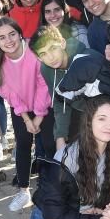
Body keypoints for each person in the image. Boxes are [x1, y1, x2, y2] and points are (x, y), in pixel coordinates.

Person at [0, 18, 54, 212]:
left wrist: (39, 116)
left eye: (11, 34)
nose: (8, 40)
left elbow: (44, 83)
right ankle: (23, 191)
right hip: (21, 108)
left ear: (19, 34)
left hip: (44, 104)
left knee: (50, 145)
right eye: (2, 37)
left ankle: (54, 189)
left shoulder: (34, 51)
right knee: (24, 144)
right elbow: (5, 90)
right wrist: (26, 118)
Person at [31, 23, 90, 151]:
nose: (50, 58)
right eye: (43, 54)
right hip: (76, 110)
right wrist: (60, 136)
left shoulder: (86, 59)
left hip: (100, 111)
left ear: (62, 43)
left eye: (52, 48)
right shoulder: (46, 69)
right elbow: (59, 102)